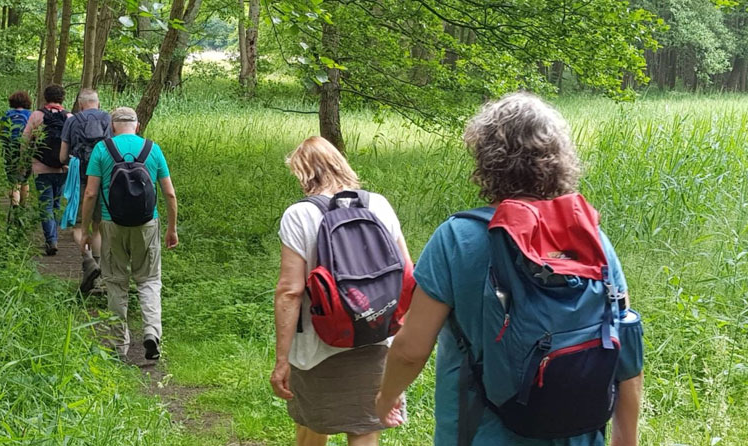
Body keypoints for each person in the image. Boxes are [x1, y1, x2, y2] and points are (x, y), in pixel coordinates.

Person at [376, 93, 644, 446]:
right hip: (577, 434)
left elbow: (411, 349)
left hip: (478, 434)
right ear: (559, 160)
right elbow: (625, 345)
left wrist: (385, 398)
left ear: (487, 162)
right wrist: (625, 439)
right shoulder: (590, 239)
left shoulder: (458, 238)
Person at [271, 136, 412, 446]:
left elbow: (290, 292)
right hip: (374, 334)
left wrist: (282, 359)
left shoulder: (299, 215)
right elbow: (406, 273)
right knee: (363, 426)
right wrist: (397, 331)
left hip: (317, 344)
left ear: (302, 173)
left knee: (312, 421)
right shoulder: (378, 204)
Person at [81, 106, 178, 361]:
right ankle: (151, 334)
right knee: (148, 280)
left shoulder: (102, 150)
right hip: (147, 224)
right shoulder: (152, 149)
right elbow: (169, 193)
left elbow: (90, 193)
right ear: (136, 125)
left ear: (113, 126)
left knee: (115, 281)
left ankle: (117, 343)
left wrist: (86, 228)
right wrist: (171, 228)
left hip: (112, 224)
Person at [59, 89, 112, 294]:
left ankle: (88, 261)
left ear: (80, 104)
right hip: (104, 179)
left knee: (79, 224)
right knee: (98, 227)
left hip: (80, 177)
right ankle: (98, 272)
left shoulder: (72, 121)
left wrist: (67, 163)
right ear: (98, 103)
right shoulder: (108, 118)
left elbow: (63, 155)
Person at [23, 85, 70, 256]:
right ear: (62, 98)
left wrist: (24, 159)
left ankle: (51, 240)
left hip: (41, 167)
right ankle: (54, 236)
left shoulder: (37, 115)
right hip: (63, 168)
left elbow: (25, 139)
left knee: (46, 204)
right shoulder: (69, 117)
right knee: (57, 203)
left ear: (45, 97)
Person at [0, 91, 32, 211]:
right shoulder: (30, 114)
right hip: (26, 149)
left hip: (10, 149)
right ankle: (22, 208)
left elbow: (2, 133)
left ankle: (15, 206)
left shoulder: (7, 114)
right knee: (25, 180)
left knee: (13, 180)